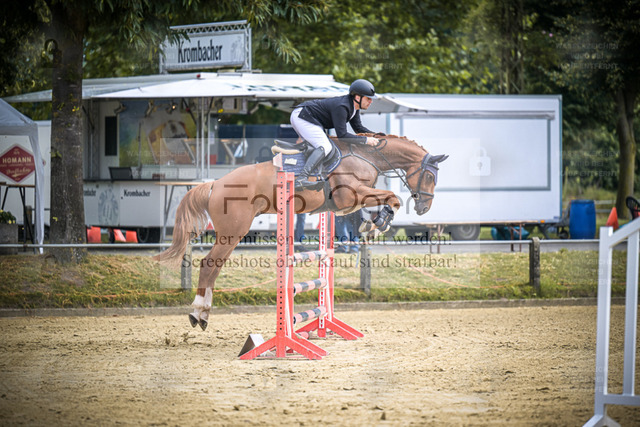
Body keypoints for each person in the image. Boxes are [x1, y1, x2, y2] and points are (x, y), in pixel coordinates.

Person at [289, 79, 384, 191]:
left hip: (308, 117)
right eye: (368, 98)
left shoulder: (354, 107)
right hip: (302, 117)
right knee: (325, 147)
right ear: (358, 98)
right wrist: (366, 140)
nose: (371, 101)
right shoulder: (342, 107)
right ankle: (301, 179)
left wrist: (376, 136)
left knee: (324, 146)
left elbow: (358, 128)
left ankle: (315, 175)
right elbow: (342, 136)